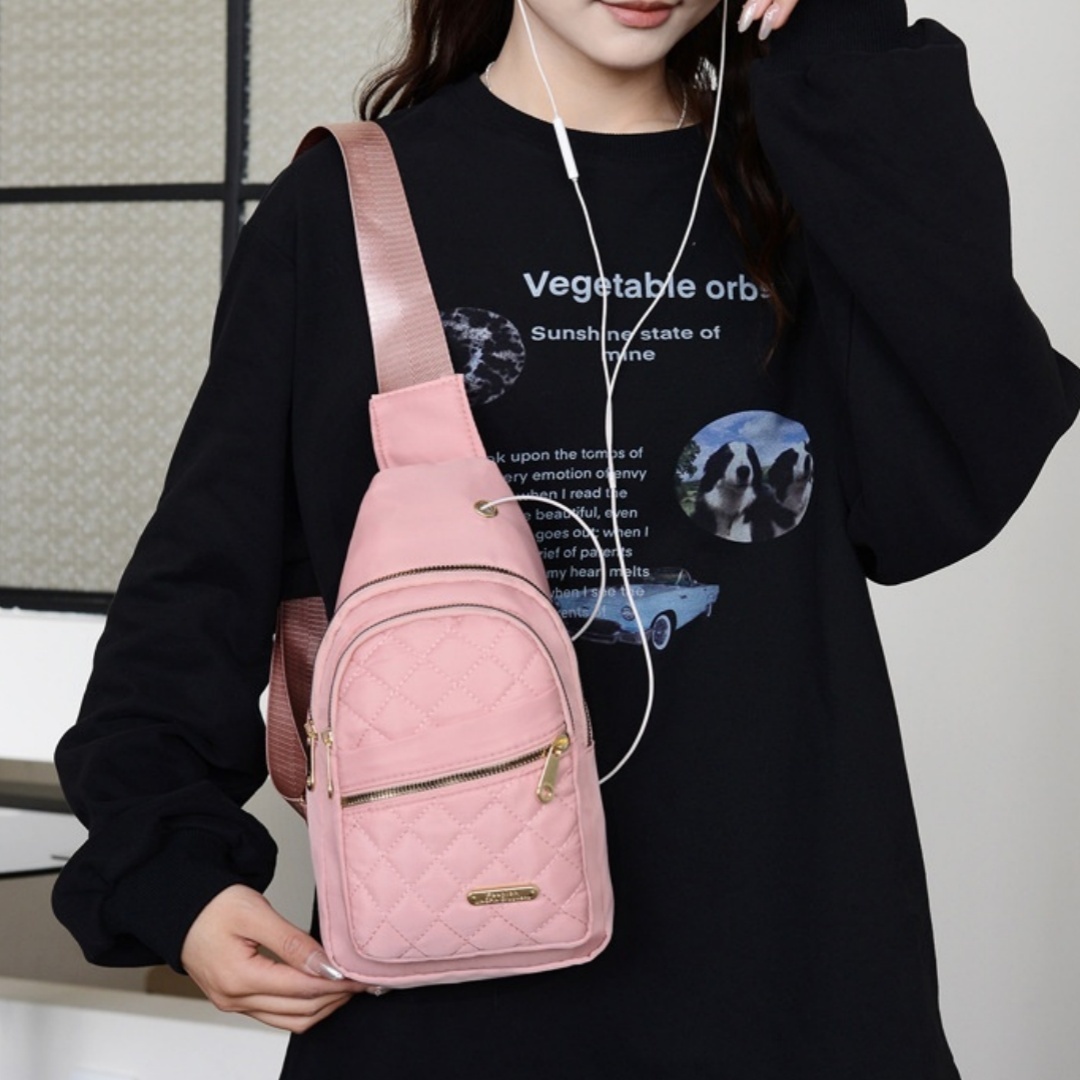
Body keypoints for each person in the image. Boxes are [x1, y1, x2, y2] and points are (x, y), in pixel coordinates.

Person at [53, 0, 1079, 1076]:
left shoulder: (807, 179)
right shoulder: (348, 206)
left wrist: (849, 31)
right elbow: (194, 592)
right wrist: (173, 875)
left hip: (793, 978)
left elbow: (950, 481)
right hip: (448, 991)